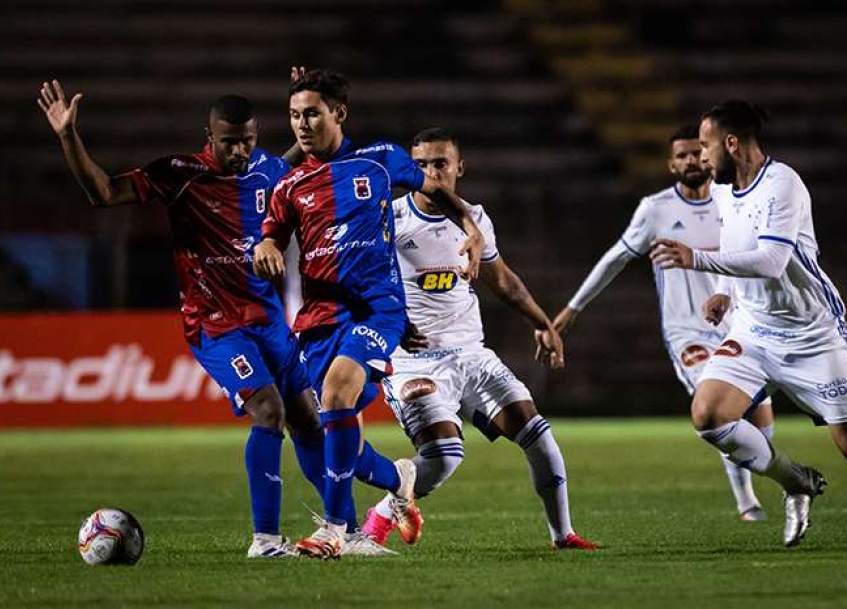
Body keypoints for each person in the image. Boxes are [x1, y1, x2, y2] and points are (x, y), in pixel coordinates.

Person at [37, 79, 332, 558]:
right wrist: (68, 136)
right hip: (216, 324)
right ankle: (265, 540)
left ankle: (344, 527)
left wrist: (308, 105)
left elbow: (294, 161)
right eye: (229, 141)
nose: (239, 150)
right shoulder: (179, 174)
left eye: (247, 140)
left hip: (270, 321)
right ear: (208, 136)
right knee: (269, 411)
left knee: (308, 421)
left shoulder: (267, 170)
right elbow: (104, 193)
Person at [650, 100, 847, 557]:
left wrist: (697, 259)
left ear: (731, 143)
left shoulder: (783, 185)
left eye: (705, 146)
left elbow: (772, 260)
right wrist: (723, 289)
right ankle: (795, 481)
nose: (701, 157)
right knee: (708, 415)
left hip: (811, 334)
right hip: (752, 329)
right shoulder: (725, 190)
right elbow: (733, 242)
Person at [254, 71, 486, 560]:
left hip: (376, 308)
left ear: (339, 113)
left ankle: (336, 529)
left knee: (338, 390)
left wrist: (470, 226)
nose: (301, 124)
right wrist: (268, 248)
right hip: (320, 317)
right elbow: (271, 233)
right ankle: (398, 478)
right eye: (294, 115)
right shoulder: (290, 184)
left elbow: (439, 190)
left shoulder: (380, 162)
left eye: (312, 113)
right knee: (335, 435)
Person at [357, 127, 596, 550]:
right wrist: (388, 320)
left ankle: (564, 536)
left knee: (538, 433)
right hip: (415, 360)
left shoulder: (475, 220)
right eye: (420, 165)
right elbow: (358, 282)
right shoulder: (388, 218)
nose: (430, 172)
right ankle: (377, 520)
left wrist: (543, 323)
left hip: (471, 354)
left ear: (459, 167)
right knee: (444, 457)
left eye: (440, 164)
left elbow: (502, 280)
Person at [553, 125, 773, 521]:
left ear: (708, 157)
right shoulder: (656, 210)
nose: (691, 161)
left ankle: (779, 483)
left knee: (761, 421)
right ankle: (747, 502)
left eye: (697, 153)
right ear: (672, 165)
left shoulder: (732, 203)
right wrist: (574, 307)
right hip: (687, 331)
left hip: (741, 325)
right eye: (682, 156)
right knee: (722, 411)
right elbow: (616, 258)